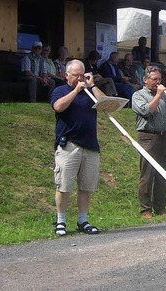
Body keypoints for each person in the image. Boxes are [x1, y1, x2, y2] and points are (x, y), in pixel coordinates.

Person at [50, 59, 105, 236]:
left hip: (90, 145)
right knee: (64, 186)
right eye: (76, 75)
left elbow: (106, 104)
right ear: (67, 75)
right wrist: (75, 90)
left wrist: (92, 85)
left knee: (86, 186)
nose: (80, 79)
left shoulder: (90, 92)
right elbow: (58, 107)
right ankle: (61, 221)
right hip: (69, 145)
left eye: (82, 75)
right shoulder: (60, 90)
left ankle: (82, 220)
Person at [132, 65, 166, 219]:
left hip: (164, 136)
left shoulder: (164, 95)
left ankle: (160, 207)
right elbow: (147, 111)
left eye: (160, 79)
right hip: (148, 137)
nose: (158, 82)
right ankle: (145, 209)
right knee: (147, 175)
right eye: (155, 79)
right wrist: (158, 95)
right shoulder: (138, 95)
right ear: (145, 80)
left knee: (164, 173)